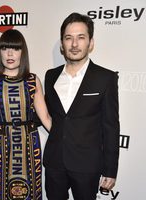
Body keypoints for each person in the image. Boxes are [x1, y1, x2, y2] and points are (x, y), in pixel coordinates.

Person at [43, 12, 120, 200]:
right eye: (68, 38)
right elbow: (44, 113)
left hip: (87, 166)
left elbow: (111, 127)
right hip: (54, 163)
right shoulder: (50, 76)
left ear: (91, 43)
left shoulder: (105, 78)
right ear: (62, 44)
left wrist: (110, 170)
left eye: (81, 38)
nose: (74, 44)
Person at [0, 29, 52, 200]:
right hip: (0, 144)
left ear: (23, 52)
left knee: (30, 191)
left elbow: (45, 118)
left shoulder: (33, 80)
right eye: (4, 48)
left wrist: (67, 142)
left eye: (15, 48)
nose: (9, 53)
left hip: (29, 143)